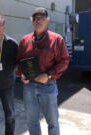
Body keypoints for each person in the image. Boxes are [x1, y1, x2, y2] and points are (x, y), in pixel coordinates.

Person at [16, 7, 70, 135]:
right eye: (35, 18)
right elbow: (19, 61)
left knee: (52, 123)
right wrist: (21, 74)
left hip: (48, 86)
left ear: (47, 21)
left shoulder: (57, 40)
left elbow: (64, 61)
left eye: (41, 18)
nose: (38, 21)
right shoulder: (25, 40)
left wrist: (49, 75)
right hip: (29, 87)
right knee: (32, 122)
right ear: (32, 21)